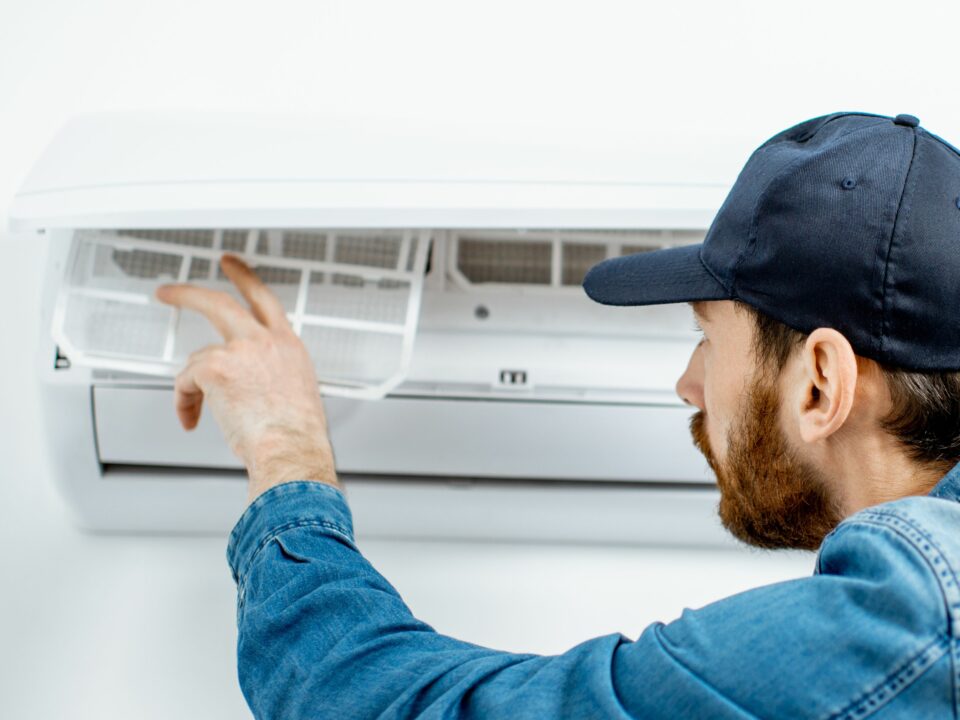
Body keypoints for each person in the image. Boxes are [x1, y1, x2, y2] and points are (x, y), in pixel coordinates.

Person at [156, 111, 960, 718]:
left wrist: (286, 446)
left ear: (820, 383)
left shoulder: (899, 619)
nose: (688, 384)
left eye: (707, 339)